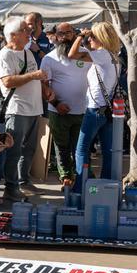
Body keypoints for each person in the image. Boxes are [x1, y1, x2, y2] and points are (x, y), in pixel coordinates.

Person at [0, 18, 47, 201]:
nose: (29, 32)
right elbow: (7, 81)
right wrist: (34, 75)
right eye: (25, 30)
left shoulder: (28, 53)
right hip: (17, 109)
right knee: (14, 150)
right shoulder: (4, 55)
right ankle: (11, 187)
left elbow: (34, 78)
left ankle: (23, 181)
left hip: (33, 109)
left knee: (29, 149)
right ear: (13, 35)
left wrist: (46, 90)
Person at [69, 22, 123, 184]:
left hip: (95, 108)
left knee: (81, 150)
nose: (89, 39)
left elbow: (72, 55)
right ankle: (106, 188)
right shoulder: (113, 56)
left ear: (101, 38)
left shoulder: (102, 54)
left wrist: (80, 35)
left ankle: (80, 187)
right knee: (107, 150)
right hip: (106, 109)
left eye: (92, 36)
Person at [40, 22, 88, 188]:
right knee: (62, 147)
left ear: (74, 34)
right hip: (58, 111)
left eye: (68, 33)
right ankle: (66, 176)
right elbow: (43, 85)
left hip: (83, 110)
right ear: (55, 36)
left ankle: (81, 176)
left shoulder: (85, 54)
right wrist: (56, 103)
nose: (65, 37)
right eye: (61, 34)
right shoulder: (49, 58)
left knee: (80, 147)